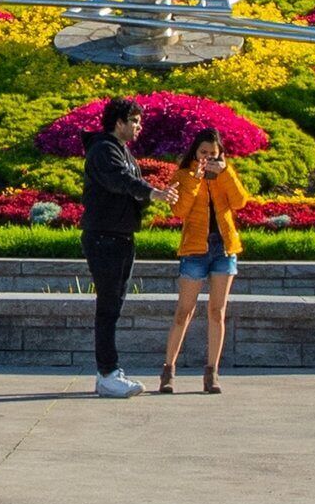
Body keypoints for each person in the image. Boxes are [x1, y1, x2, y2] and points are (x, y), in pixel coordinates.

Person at [158, 128, 250, 395]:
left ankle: (212, 373)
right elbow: (179, 211)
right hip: (195, 249)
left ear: (220, 153)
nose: (207, 157)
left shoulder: (225, 173)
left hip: (223, 247)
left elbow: (240, 202)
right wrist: (197, 180)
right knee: (184, 311)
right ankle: (168, 370)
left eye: (213, 153)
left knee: (217, 311)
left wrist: (225, 173)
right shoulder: (184, 175)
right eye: (203, 153)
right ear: (195, 152)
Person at [78, 97, 154, 399]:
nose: (138, 126)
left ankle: (107, 373)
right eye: (133, 121)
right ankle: (108, 373)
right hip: (104, 237)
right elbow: (119, 181)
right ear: (118, 122)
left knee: (113, 306)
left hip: (119, 236)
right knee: (108, 308)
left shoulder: (120, 151)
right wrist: (152, 193)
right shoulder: (103, 150)